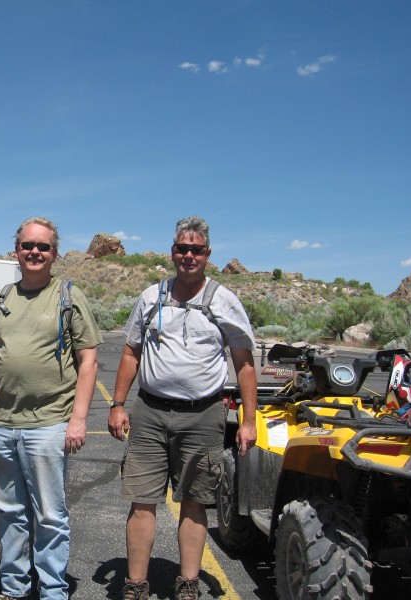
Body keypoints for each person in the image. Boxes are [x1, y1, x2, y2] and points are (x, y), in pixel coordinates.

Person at [108, 216, 257, 600]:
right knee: (142, 500)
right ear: (172, 252)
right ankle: (136, 585)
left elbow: (243, 362)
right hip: (150, 414)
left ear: (208, 255)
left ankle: (188, 583)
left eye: (197, 250)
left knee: (194, 501)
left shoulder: (224, 300)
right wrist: (118, 404)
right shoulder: (151, 297)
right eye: (182, 248)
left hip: (203, 415)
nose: (189, 256)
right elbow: (131, 352)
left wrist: (248, 421)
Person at [0, 217, 103, 600]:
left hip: (48, 424)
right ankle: (14, 588)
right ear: (17, 251)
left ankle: (53, 591)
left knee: (49, 515)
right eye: (28, 245)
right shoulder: (3, 299)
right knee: (9, 511)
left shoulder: (69, 297)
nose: (35, 252)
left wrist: (78, 420)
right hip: (4, 424)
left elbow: (88, 361)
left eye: (43, 247)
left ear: (54, 254)